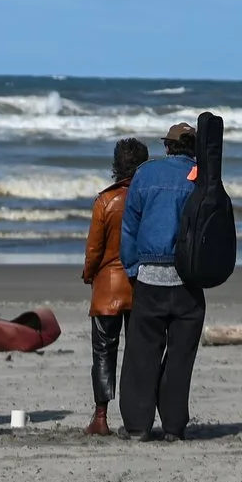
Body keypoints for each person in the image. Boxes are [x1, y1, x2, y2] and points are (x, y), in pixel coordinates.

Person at [119, 122, 209, 440]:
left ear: (168, 147)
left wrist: (132, 268)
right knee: (180, 359)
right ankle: (173, 427)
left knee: (141, 355)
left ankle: (137, 427)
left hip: (150, 277)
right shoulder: (205, 179)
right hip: (188, 279)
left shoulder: (146, 174)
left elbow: (130, 226)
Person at [80, 138, 146, 435]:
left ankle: (101, 417)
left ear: (115, 166)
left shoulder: (105, 201)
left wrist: (88, 274)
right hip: (140, 284)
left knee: (104, 353)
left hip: (108, 286)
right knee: (137, 352)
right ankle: (136, 416)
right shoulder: (147, 197)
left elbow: (94, 249)